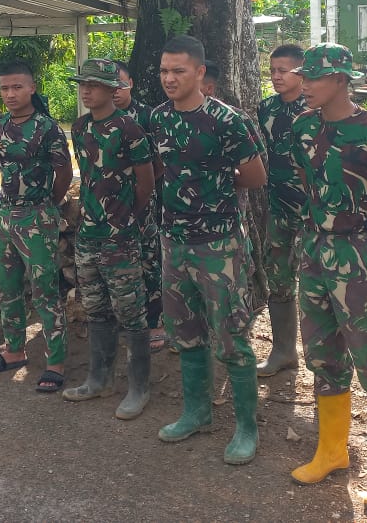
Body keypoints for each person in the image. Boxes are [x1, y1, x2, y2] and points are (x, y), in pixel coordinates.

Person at [287, 43, 367, 511]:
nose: (306, 85)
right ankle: (332, 451)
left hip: (360, 253)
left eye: (315, 78)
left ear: (340, 79)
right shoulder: (302, 126)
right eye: (306, 76)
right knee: (322, 354)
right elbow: (309, 186)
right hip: (315, 250)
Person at [152, 35, 267, 465]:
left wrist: (215, 182)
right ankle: (197, 413)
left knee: (233, 336)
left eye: (178, 71)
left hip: (219, 244)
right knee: (186, 334)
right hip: (173, 243)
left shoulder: (226, 120)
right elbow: (165, 169)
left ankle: (245, 427)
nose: (169, 78)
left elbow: (256, 177)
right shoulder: (158, 118)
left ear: (200, 72)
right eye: (164, 70)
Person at [63, 59, 156, 419]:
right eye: (83, 84)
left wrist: (127, 217)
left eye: (95, 85)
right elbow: (88, 176)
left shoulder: (129, 128)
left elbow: (146, 182)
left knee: (131, 311)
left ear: (112, 89)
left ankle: (138, 387)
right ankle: (98, 378)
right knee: (95, 307)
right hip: (88, 233)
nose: (86, 91)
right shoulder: (80, 126)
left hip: (122, 236)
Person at [0, 62, 73, 393]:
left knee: (45, 288)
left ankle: (56, 361)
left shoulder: (47, 128)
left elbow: (63, 172)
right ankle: (15, 350)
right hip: (4, 215)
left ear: (32, 88)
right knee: (6, 286)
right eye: (4, 88)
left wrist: (47, 204)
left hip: (37, 216)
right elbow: (1, 165)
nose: (9, 94)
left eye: (17, 87)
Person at [254, 44, 309, 377]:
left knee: (320, 287)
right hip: (279, 208)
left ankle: (327, 361)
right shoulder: (266, 109)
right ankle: (284, 351)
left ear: (301, 72)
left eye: (283, 71)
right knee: (280, 281)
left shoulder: (316, 110)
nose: (275, 76)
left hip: (314, 212)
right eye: (272, 70)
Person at [201, 59, 269, 311]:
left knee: (234, 280)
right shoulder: (167, 116)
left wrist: (220, 176)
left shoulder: (234, 118)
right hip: (185, 227)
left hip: (227, 218)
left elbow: (257, 168)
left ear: (209, 88)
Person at [113, 60, 167, 353]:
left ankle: (156, 321)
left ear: (131, 83)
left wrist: (139, 191)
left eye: (121, 83)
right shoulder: (99, 117)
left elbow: (159, 162)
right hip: (110, 208)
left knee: (149, 259)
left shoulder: (147, 116)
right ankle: (128, 319)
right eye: (110, 85)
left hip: (144, 201)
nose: (116, 90)